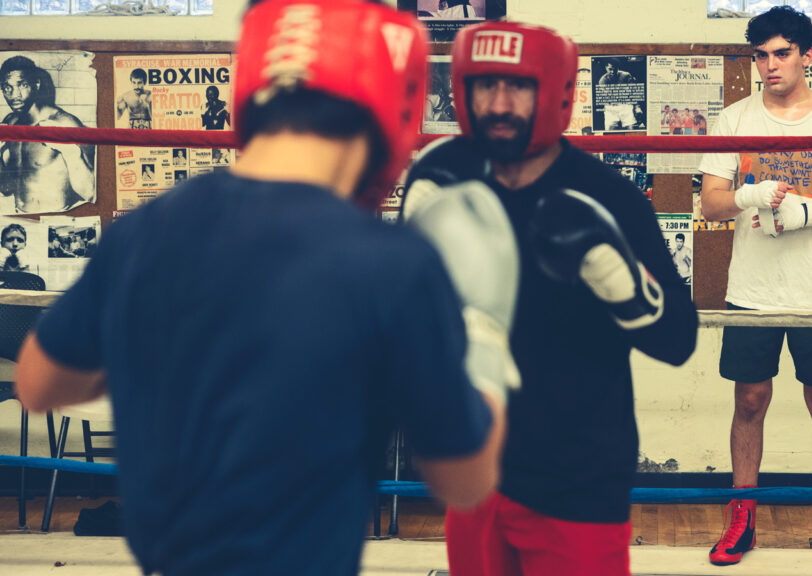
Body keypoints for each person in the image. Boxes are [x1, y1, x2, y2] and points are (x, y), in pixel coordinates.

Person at [15, 2, 518, 575]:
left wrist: (169, 353)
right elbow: (464, 480)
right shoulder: (390, 263)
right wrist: (485, 330)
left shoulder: (146, 230)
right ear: (393, 105)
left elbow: (37, 384)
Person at [404, 21, 699, 576]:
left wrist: (625, 287)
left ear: (557, 93)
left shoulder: (608, 197)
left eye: (517, 86)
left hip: (577, 478)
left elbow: (679, 341)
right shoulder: (444, 175)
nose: (498, 104)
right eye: (484, 84)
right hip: (478, 468)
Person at [698, 6, 812, 570]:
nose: (770, 65)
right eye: (760, 55)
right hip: (752, 289)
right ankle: (743, 515)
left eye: (781, 53)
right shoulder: (733, 119)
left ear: (807, 54)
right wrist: (751, 197)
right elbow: (710, 201)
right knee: (749, 400)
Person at [0, 55, 96, 214]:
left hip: (55, 221)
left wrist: (71, 152)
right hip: (21, 217)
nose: (14, 94)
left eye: (22, 85)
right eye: (7, 87)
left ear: (36, 84)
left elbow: (91, 192)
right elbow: (6, 188)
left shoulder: (66, 123)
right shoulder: (10, 123)